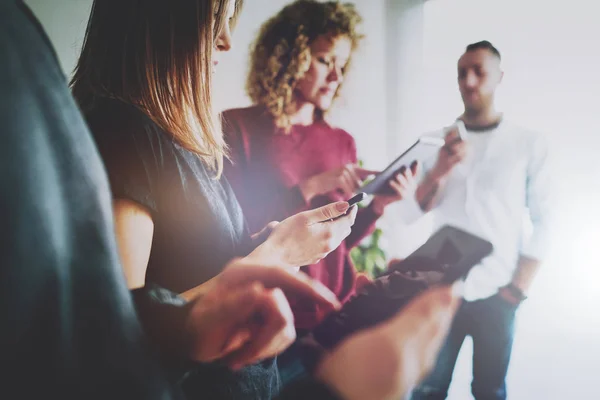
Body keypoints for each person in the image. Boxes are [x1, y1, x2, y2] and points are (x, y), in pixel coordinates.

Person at [1, 1, 461, 399]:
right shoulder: (126, 134)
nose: (225, 42)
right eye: (215, 17)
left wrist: (290, 238)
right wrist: (278, 251)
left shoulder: (188, 142)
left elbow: (210, 257)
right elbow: (114, 333)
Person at [223, 0, 418, 333]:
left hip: (332, 311)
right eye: (325, 60)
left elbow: (335, 244)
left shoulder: (342, 141)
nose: (336, 76)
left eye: (342, 64)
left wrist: (378, 208)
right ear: (287, 58)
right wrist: (311, 187)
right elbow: (234, 234)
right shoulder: (237, 127)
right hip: (270, 316)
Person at [405, 41, 554, 400]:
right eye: (462, 72)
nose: (469, 81)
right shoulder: (436, 142)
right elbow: (417, 208)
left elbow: (545, 219)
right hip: (441, 289)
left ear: (499, 77)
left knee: (489, 391)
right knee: (426, 389)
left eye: (479, 71)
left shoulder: (529, 144)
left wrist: (517, 290)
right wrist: (440, 169)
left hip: (499, 291)